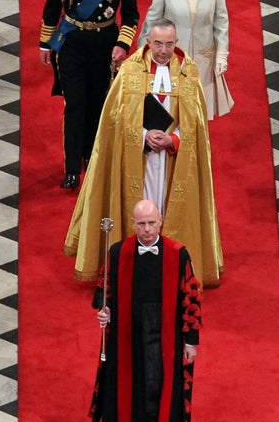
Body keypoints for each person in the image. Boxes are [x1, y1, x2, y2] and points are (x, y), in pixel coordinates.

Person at [66, 21, 223, 287]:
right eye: (158, 43)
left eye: (169, 44)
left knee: (165, 207)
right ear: (148, 41)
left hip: (172, 159)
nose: (163, 51)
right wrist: (143, 135)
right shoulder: (129, 71)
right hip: (137, 158)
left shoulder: (188, 72)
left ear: (176, 41)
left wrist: (172, 139)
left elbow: (196, 125)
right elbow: (114, 120)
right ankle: (133, 264)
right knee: (141, 208)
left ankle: (169, 264)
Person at [91, 200, 203, 422]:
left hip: (162, 339)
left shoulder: (178, 255)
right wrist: (106, 312)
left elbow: (191, 298)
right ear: (132, 223)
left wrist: (191, 341)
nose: (147, 229)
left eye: (152, 222)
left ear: (161, 220)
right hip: (127, 337)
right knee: (128, 391)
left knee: (157, 395)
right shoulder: (119, 252)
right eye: (141, 223)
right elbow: (105, 292)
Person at [40, 0, 139, 189]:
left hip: (103, 44)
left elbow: (130, 14)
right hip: (71, 43)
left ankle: (90, 157)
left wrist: (123, 44)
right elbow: (52, 6)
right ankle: (71, 167)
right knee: (74, 105)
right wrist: (45, 43)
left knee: (96, 104)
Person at [142, 0, 232, 120]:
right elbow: (153, 16)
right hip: (172, 57)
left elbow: (221, 18)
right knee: (172, 115)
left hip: (204, 60)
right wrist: (144, 51)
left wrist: (222, 54)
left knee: (198, 117)